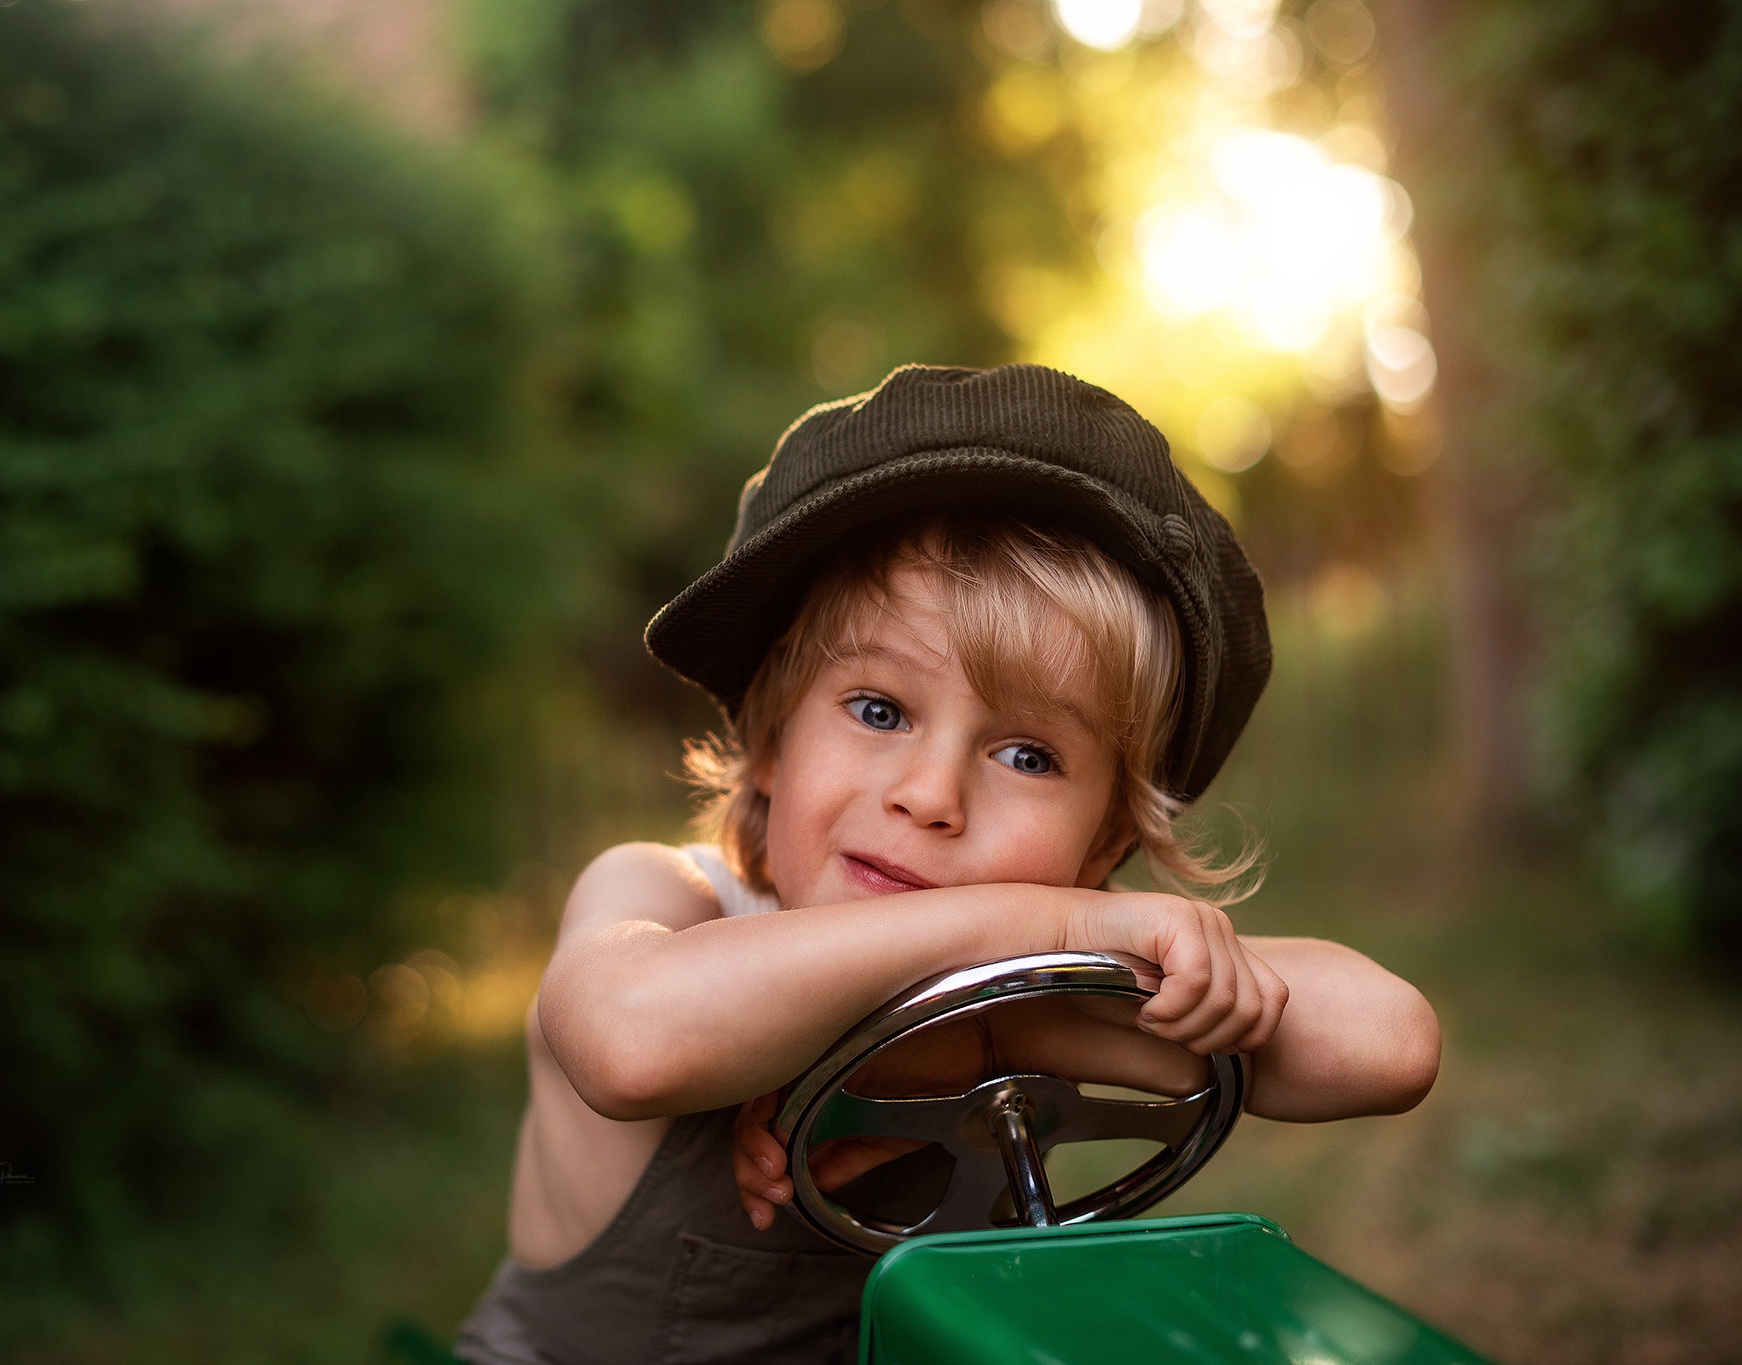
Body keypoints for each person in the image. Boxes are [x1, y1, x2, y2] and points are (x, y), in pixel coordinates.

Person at [455, 364, 1440, 1365]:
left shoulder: (1018, 1011)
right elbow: (630, 1042)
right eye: (877, 710)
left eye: (1027, 756)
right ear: (769, 741)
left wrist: (985, 1032)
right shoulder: (662, 897)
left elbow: (1385, 1043)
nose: (930, 795)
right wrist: (1056, 930)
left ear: (1099, 843)